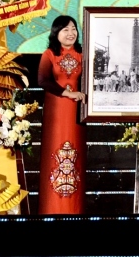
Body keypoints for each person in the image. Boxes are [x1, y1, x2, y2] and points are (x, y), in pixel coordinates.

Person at [38, 15, 86, 215]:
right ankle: (51, 209)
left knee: (76, 155)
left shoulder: (83, 54)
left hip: (77, 113)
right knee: (54, 152)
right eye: (65, 29)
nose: (70, 33)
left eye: (73, 28)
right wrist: (68, 93)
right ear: (56, 33)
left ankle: (74, 210)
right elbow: (43, 80)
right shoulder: (49, 54)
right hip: (55, 112)